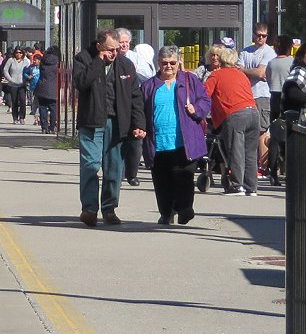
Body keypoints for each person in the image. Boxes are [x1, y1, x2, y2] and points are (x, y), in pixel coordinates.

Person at [72, 29, 144, 226]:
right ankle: (89, 209)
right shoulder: (84, 59)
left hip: (117, 122)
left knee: (114, 168)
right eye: (110, 49)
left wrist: (138, 123)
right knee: (91, 165)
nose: (114, 53)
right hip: (92, 122)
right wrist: (98, 62)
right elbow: (80, 83)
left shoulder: (125, 65)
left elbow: (135, 97)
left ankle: (109, 208)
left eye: (117, 49)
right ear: (99, 46)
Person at [141, 46, 212, 225]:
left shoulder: (190, 80)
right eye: (164, 63)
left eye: (172, 63)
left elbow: (205, 100)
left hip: (184, 141)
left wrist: (197, 109)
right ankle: (166, 213)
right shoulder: (149, 85)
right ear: (158, 63)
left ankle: (185, 208)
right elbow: (140, 110)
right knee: (162, 180)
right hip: (158, 141)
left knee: (184, 177)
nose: (169, 67)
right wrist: (139, 127)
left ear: (179, 62)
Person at [203, 44, 259, 195]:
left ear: (220, 60)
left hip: (235, 114)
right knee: (250, 152)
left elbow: (204, 94)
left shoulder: (216, 75)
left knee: (236, 150)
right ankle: (251, 187)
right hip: (253, 112)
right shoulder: (241, 75)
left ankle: (236, 185)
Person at [240, 25, 276, 180]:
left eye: (264, 35)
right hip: (246, 95)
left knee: (261, 131)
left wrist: (244, 70)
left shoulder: (269, 52)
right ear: (253, 35)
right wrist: (252, 72)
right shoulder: (245, 51)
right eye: (258, 35)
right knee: (248, 132)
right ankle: (252, 166)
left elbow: (262, 72)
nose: (261, 38)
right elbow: (237, 70)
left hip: (262, 96)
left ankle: (263, 167)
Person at [115, 28, 144, 187]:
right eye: (121, 42)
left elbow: (150, 74)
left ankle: (132, 174)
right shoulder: (112, 58)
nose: (124, 45)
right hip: (118, 104)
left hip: (134, 102)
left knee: (135, 142)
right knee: (118, 141)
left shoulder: (136, 58)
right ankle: (118, 173)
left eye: (126, 42)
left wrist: (134, 68)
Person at [31, 47, 59, 133]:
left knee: (42, 107)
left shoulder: (43, 61)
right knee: (53, 108)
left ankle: (44, 127)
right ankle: (52, 127)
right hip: (53, 88)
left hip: (42, 86)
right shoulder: (57, 62)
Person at [1, 47, 30, 123]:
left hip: (22, 84)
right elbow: (5, 70)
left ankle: (22, 117)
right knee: (14, 101)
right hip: (13, 84)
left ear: (23, 53)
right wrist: (10, 79)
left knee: (23, 101)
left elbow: (29, 70)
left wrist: (27, 78)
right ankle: (15, 117)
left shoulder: (26, 61)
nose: (18, 54)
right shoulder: (11, 60)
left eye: (20, 53)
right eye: (17, 52)